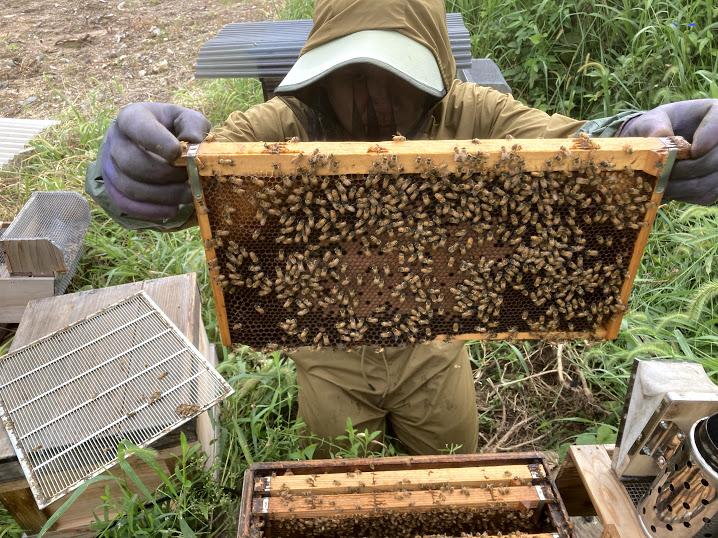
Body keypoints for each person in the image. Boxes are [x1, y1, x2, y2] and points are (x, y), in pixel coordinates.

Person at [86, 0, 718, 456]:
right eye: (355, 77)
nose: (377, 104)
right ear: (322, 76)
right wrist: (141, 170)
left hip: (435, 351)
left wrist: (637, 138)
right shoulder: (290, 123)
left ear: (436, 72)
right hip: (328, 357)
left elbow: (573, 144)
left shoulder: (474, 111)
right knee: (338, 493)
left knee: (454, 477)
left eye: (399, 78)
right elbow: (204, 165)